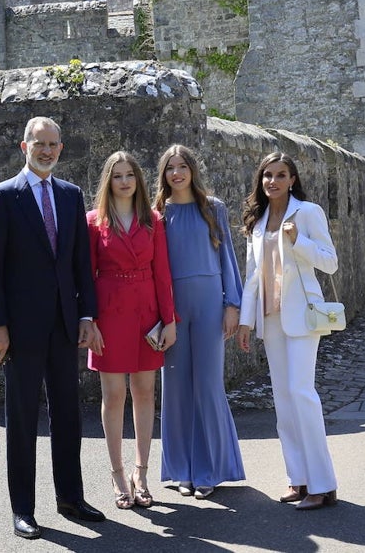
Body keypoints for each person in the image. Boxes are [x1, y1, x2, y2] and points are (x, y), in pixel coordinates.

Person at [0, 116, 105, 540]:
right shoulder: (2, 197)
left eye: (53, 144)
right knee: (23, 418)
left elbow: (80, 264)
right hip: (20, 328)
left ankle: (70, 497)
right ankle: (23, 510)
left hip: (65, 326)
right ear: (24, 146)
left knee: (68, 414)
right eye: (39, 143)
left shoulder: (71, 196)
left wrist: (87, 315)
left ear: (61, 148)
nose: (46, 150)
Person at [237, 152, 338, 511]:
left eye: (281, 175)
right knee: (282, 399)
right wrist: (246, 321)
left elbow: (330, 261)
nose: (273, 181)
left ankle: (323, 484)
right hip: (271, 318)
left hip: (303, 315)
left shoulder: (307, 213)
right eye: (267, 175)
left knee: (301, 392)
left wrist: (299, 242)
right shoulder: (258, 220)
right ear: (260, 180)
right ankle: (298, 478)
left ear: (292, 179)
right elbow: (252, 275)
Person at [86, 151, 177, 510]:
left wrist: (169, 320)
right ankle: (117, 473)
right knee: (113, 396)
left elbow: (163, 274)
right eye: (117, 176)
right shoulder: (93, 222)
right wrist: (88, 320)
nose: (124, 182)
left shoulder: (153, 220)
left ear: (139, 180)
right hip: (109, 314)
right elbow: (86, 276)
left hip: (147, 315)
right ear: (109, 182)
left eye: (130, 175)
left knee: (144, 392)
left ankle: (141, 472)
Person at [155, 144, 245, 500]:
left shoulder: (213, 208)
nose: (176, 173)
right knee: (176, 388)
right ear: (163, 174)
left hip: (210, 304)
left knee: (208, 385)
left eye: (182, 166)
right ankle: (181, 470)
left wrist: (232, 305)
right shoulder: (157, 214)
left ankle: (210, 469)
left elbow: (227, 257)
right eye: (170, 168)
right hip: (173, 308)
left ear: (192, 169)